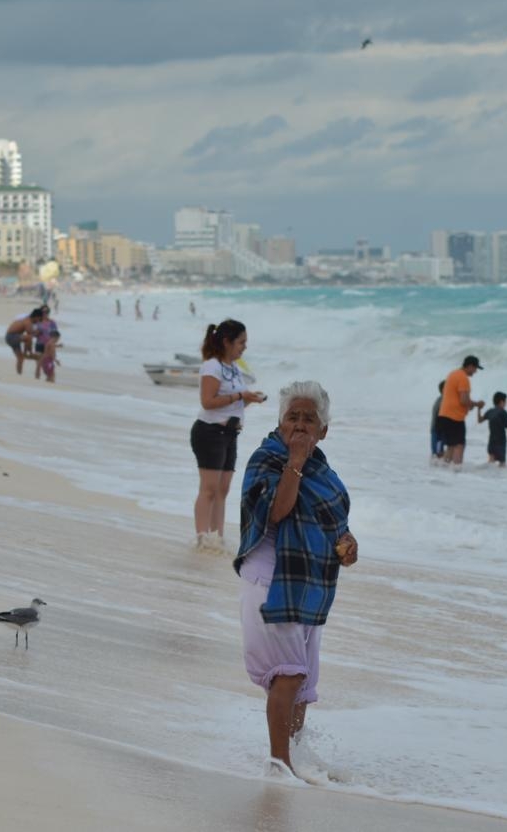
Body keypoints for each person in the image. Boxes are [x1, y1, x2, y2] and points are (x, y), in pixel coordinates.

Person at [235, 380, 357, 777]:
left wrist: (348, 542)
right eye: (293, 417)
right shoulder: (266, 459)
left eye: (310, 419)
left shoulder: (323, 470)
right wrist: (296, 462)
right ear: (280, 422)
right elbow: (277, 512)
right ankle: (279, 763)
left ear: (324, 430)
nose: (300, 425)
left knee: (302, 683)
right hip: (270, 583)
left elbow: (335, 523)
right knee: (287, 675)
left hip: (308, 587)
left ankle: (296, 757)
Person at [192, 319, 267, 549]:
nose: (244, 347)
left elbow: (235, 404)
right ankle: (202, 537)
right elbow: (207, 402)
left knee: (223, 490)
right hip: (210, 432)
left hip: (230, 433)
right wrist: (240, 397)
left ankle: (217, 536)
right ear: (227, 342)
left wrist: (250, 400)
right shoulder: (212, 366)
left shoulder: (234, 368)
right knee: (209, 488)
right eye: (241, 342)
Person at [436, 355, 486, 466]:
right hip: (455, 417)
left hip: (443, 415)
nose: (475, 372)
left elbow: (460, 399)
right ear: (469, 366)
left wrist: (470, 404)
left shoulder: (452, 374)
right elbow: (464, 400)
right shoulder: (463, 378)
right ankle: (456, 472)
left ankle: (444, 470)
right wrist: (476, 404)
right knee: (459, 445)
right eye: (475, 368)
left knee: (451, 446)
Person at [478, 391, 507, 466]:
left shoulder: (490, 411)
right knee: (502, 464)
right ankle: (500, 478)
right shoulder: (503, 412)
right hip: (500, 443)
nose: (506, 403)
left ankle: (487, 477)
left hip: (491, 442)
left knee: (490, 464)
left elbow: (479, 420)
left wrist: (479, 409)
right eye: (505, 401)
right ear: (501, 402)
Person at [5, 309, 41, 374]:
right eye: (39, 319)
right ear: (36, 317)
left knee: (20, 358)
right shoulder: (28, 321)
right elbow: (30, 333)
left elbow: (30, 333)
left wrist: (35, 332)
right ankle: (29, 353)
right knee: (28, 337)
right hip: (11, 336)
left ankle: (19, 374)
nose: (38, 321)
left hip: (13, 337)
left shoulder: (27, 319)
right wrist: (37, 332)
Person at [430, 380, 446, 462]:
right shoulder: (443, 400)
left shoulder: (440, 399)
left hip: (437, 427)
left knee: (437, 451)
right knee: (438, 452)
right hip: (437, 428)